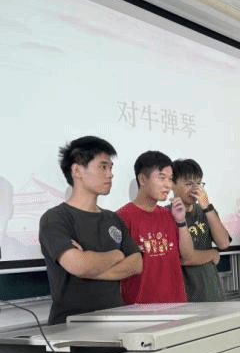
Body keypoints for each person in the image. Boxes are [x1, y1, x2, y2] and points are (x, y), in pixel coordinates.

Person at [39, 136, 143, 325]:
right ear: (77, 170)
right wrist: (117, 254)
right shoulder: (55, 218)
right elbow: (79, 265)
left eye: (111, 168)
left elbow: (136, 264)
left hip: (115, 322)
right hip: (70, 328)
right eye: (103, 167)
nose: (110, 174)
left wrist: (89, 267)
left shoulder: (113, 218)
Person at [117, 151, 190, 305]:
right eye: (162, 178)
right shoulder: (122, 217)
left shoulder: (170, 215)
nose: (168, 185)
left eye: (170, 179)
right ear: (142, 179)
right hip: (139, 309)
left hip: (176, 305)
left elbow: (187, 256)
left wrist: (181, 221)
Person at [172, 159, 228, 302]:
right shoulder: (168, 214)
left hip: (212, 291)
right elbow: (184, 258)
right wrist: (212, 254)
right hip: (187, 294)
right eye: (188, 184)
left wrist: (206, 207)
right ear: (172, 184)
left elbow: (223, 243)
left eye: (198, 183)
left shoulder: (206, 211)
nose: (195, 189)